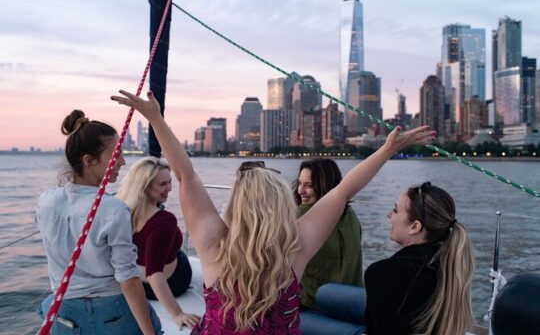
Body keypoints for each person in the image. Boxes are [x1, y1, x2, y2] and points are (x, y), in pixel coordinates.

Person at [111, 89, 434, 334]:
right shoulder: (296, 249)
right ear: (281, 204)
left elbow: (185, 175)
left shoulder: (213, 244)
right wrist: (388, 149)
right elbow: (345, 189)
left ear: (237, 203)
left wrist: (155, 118)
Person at [36, 110, 161, 335]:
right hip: (111, 310)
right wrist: (149, 332)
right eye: (116, 155)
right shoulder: (114, 210)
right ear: (88, 161)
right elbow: (128, 279)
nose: (122, 161)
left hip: (64, 308)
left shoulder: (46, 202)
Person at [364, 182, 475, 335]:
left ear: (415, 227)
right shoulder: (450, 266)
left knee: (325, 301)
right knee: (327, 293)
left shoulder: (381, 274)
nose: (389, 214)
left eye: (395, 210)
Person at [117, 156, 201, 330]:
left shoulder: (121, 211)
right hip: (172, 282)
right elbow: (154, 274)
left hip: (138, 287)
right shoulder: (164, 221)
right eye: (163, 184)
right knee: (179, 254)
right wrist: (177, 314)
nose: (169, 188)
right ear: (145, 186)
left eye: (170, 182)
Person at [293, 159, 363, 311]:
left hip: (314, 305)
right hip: (354, 302)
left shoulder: (298, 215)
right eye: (299, 183)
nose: (300, 191)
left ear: (325, 186)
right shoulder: (350, 214)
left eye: (309, 185)